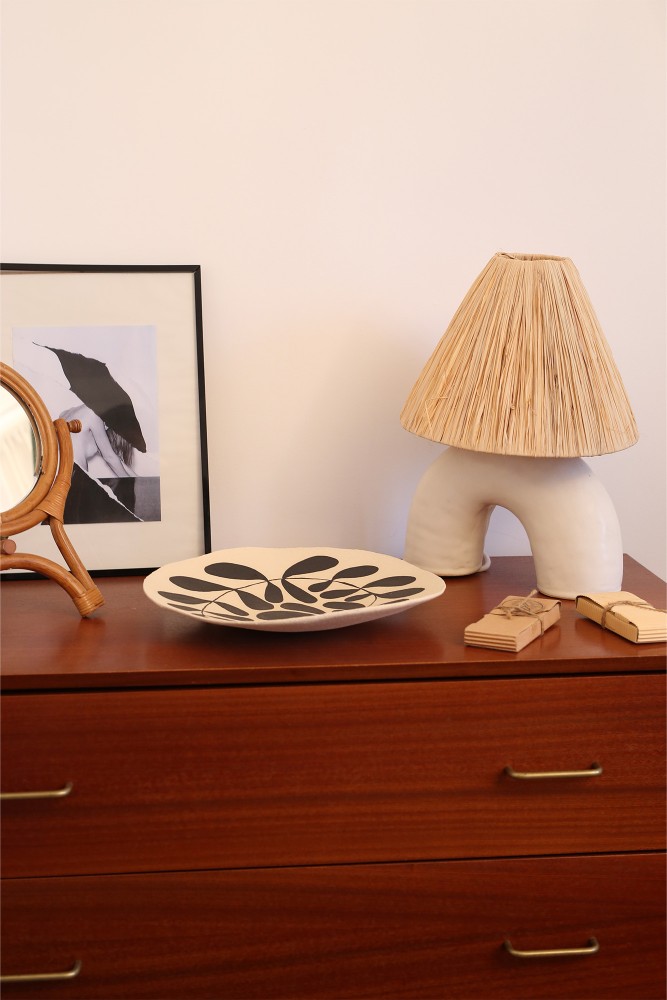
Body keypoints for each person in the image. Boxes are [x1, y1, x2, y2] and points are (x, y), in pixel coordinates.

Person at [59, 403, 134, 478]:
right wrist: (128, 483)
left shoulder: (66, 413)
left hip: (57, 469)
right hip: (73, 471)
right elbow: (109, 457)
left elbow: (114, 459)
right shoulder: (93, 414)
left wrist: (135, 478)